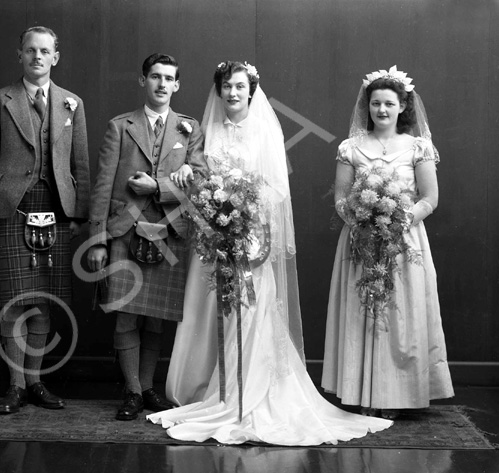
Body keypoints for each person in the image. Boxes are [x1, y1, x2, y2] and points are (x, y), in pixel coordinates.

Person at [147, 61, 392, 445]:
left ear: (251, 90)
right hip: (214, 234)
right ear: (219, 89)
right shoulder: (205, 132)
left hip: (251, 236)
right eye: (226, 86)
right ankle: (210, 390)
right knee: (210, 309)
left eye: (239, 86)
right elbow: (197, 179)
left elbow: (276, 189)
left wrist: (247, 227)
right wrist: (213, 211)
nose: (232, 93)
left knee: (251, 310)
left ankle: (253, 392)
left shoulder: (264, 131)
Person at [322, 66, 454, 419]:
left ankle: (398, 395)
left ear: (402, 107)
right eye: (376, 103)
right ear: (368, 106)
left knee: (401, 316)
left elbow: (430, 198)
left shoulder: (417, 147)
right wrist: (362, 220)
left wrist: (400, 220)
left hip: (404, 242)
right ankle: (359, 392)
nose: (382, 110)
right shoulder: (351, 148)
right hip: (361, 242)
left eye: (389, 104)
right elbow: (340, 198)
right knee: (362, 314)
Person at [0, 26, 90, 414]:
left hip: (56, 211)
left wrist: (77, 215)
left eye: (45, 51)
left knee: (43, 302)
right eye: (30, 50)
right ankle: (15, 385)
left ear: (56, 56)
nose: (37, 57)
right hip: (10, 211)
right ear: (19, 55)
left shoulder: (73, 103)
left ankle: (36, 382)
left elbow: (81, 165)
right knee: (13, 303)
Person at [87, 53, 207, 421]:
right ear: (144, 81)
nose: (161, 84)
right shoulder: (120, 126)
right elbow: (103, 185)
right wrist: (97, 239)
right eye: (154, 77)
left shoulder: (190, 129)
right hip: (124, 230)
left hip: (170, 234)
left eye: (168, 78)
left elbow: (201, 182)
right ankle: (134, 393)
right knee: (126, 317)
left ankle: (147, 385)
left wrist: (159, 186)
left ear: (177, 84)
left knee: (156, 319)